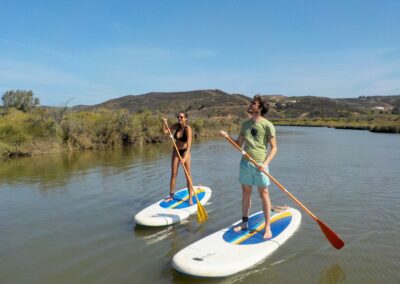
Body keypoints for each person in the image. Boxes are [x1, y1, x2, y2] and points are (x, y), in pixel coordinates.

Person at [220, 95, 279, 239]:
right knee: (246, 193)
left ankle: (267, 227)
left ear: (259, 108)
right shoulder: (245, 125)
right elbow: (238, 145)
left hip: (260, 165)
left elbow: (274, 148)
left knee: (264, 194)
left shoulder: (267, 125)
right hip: (245, 164)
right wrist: (227, 137)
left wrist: (265, 164)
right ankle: (245, 222)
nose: (250, 105)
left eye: (253, 103)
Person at [162, 112, 194, 205]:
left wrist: (184, 158)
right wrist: (164, 123)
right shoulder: (176, 126)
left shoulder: (188, 129)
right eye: (178, 117)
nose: (179, 118)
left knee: (187, 174)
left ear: (186, 118)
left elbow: (189, 145)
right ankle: (171, 196)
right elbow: (165, 132)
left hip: (185, 152)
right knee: (174, 173)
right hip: (176, 151)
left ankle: (191, 197)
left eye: (181, 117)